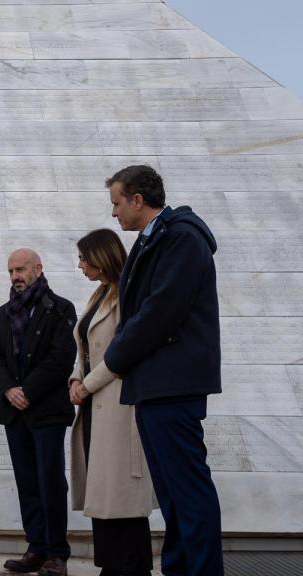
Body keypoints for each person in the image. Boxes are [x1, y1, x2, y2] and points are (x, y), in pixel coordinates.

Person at [103, 165, 223, 576]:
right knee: (172, 494)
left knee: (188, 492)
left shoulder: (182, 238)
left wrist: (115, 358)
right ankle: (178, 568)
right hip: (154, 384)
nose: (114, 213)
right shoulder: (154, 239)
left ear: (138, 199)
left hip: (173, 383)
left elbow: (159, 312)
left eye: (117, 203)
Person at [68, 229, 155, 576]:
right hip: (93, 406)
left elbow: (122, 354)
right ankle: (111, 564)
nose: (79, 265)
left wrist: (86, 385)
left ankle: (130, 566)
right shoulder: (99, 295)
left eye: (83, 258)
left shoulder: (128, 297)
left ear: (100, 258)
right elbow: (86, 348)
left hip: (117, 405)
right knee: (102, 490)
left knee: (121, 493)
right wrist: (76, 378)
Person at [0, 248, 77, 576]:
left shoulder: (61, 309)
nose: (15, 277)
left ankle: (57, 554)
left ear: (38, 268)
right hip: (15, 412)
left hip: (48, 411)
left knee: (50, 481)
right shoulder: (3, 313)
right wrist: (9, 389)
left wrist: (28, 390)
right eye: (10, 271)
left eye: (20, 269)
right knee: (26, 481)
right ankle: (36, 548)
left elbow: (61, 358)